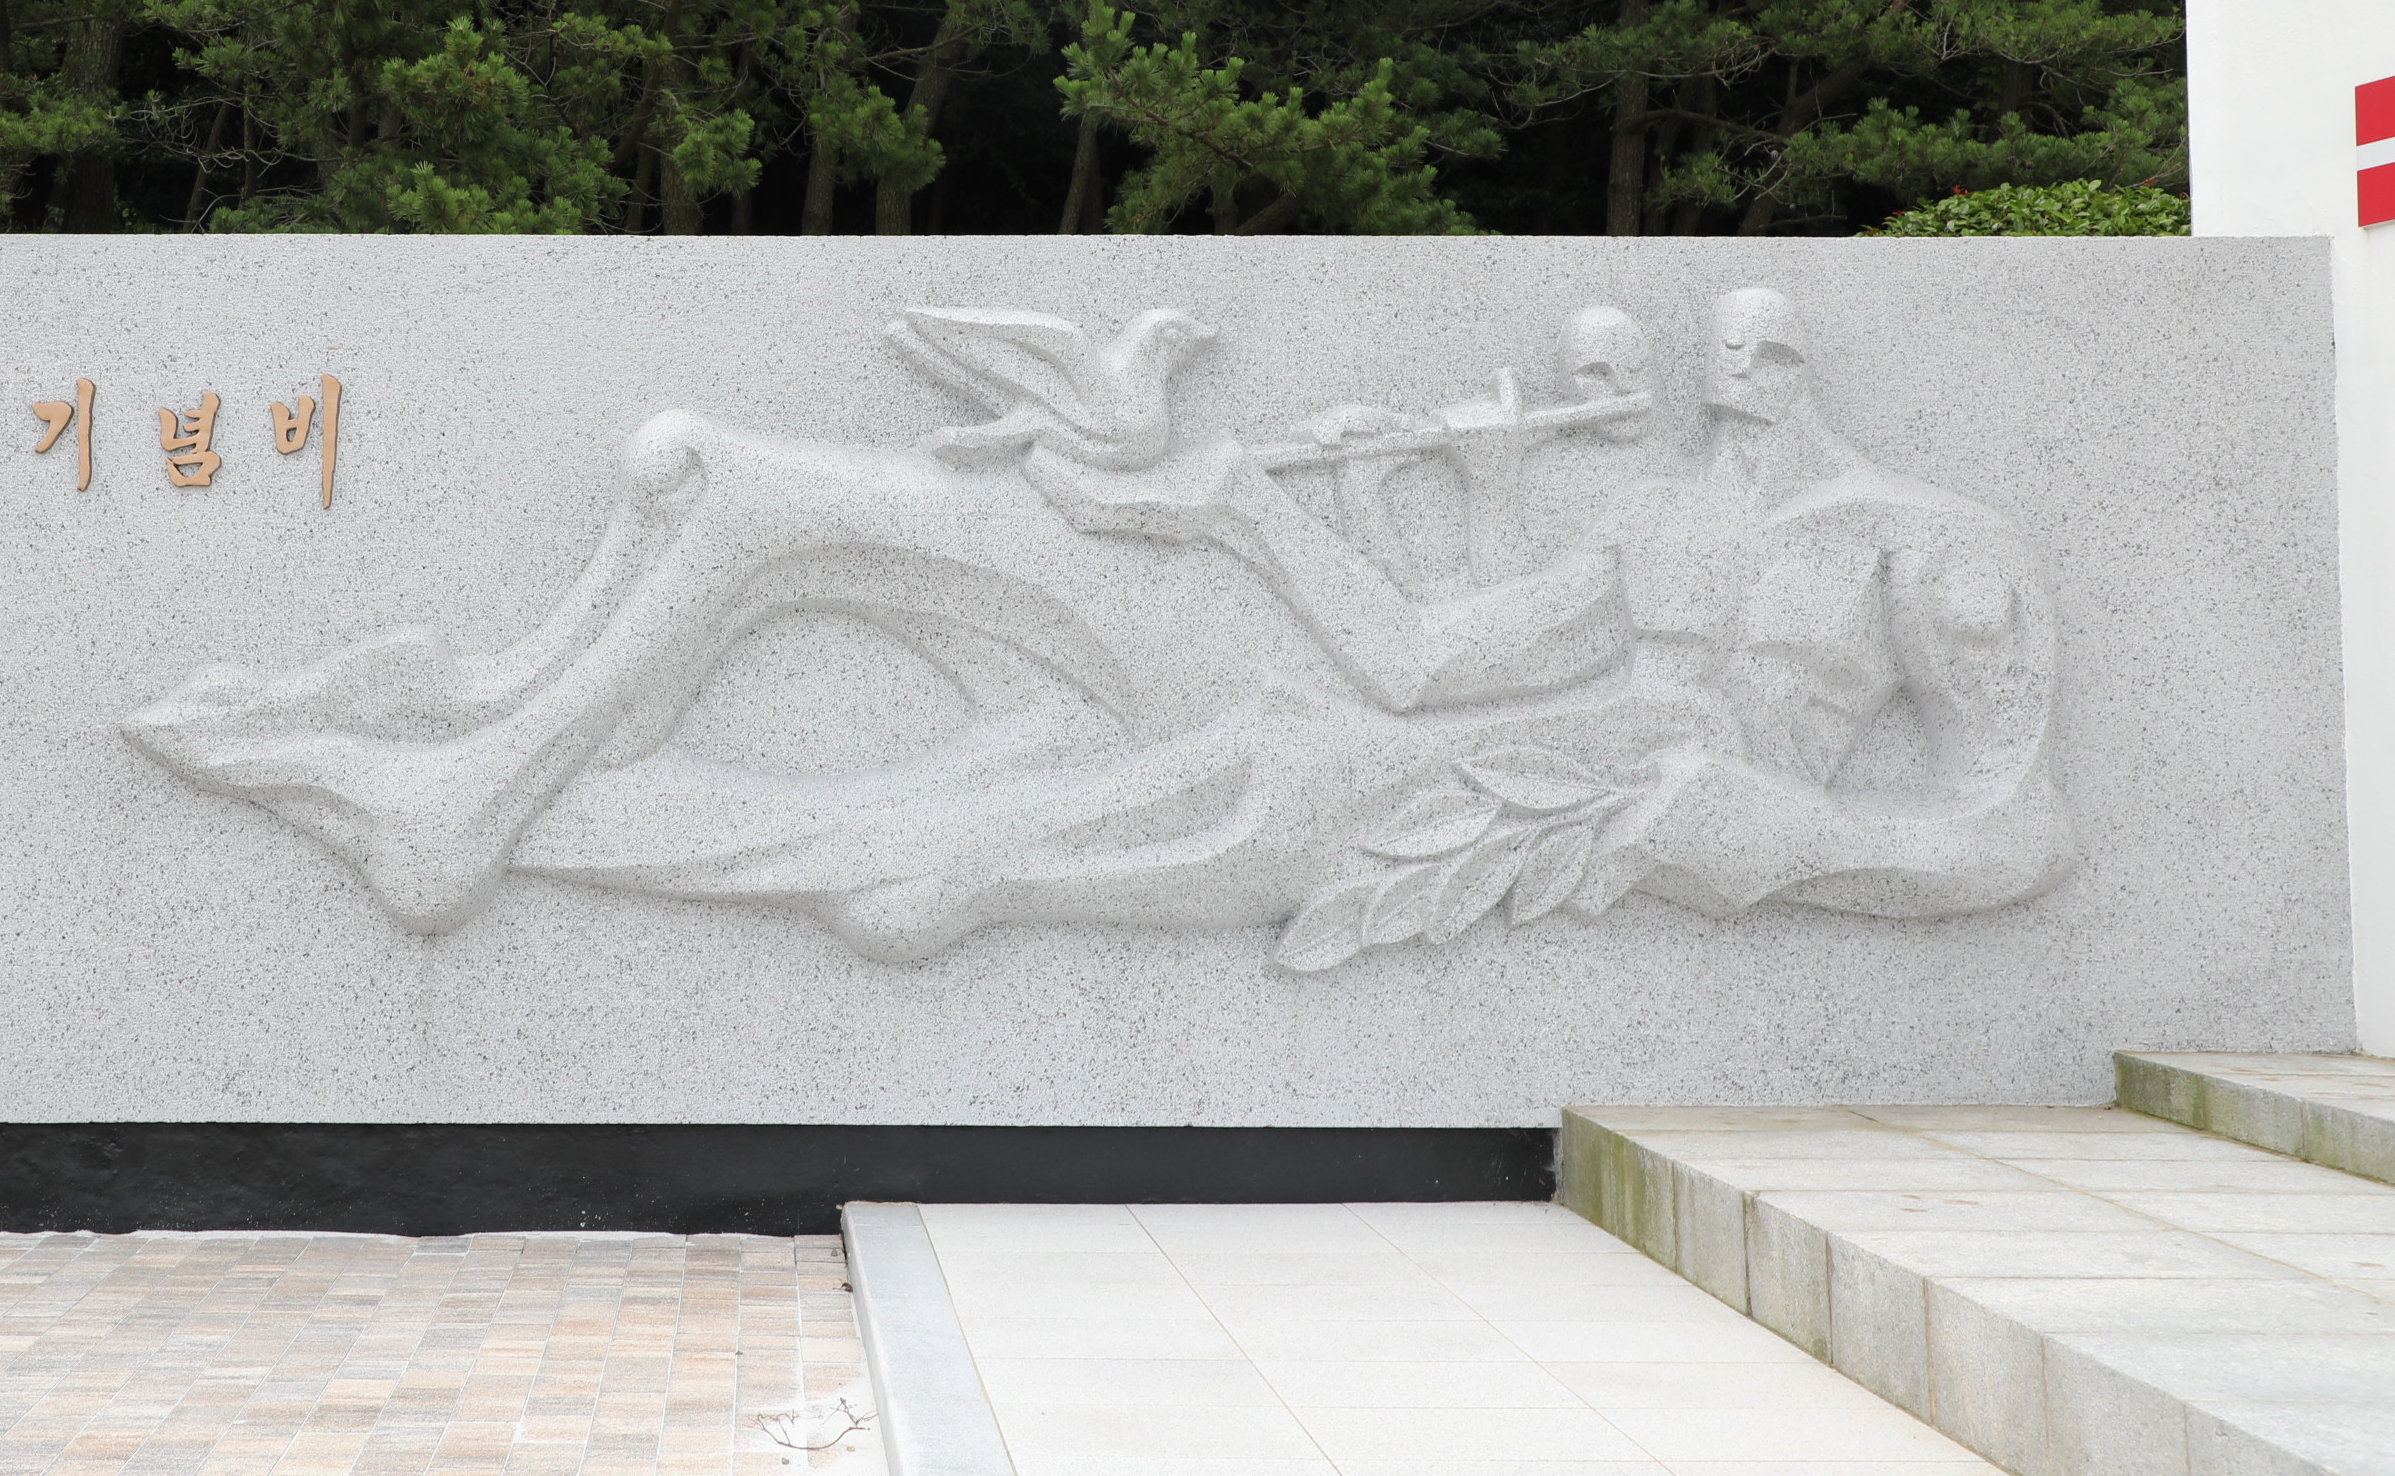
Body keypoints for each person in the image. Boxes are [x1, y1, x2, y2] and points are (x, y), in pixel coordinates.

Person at [130, 289, 2069, 964]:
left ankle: (475, 805)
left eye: (1676, 372)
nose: (1659, 396)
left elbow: (2011, 831)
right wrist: (1233, 500)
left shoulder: (1931, 547)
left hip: (1509, 790)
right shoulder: (1659, 519)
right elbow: (1416, 654)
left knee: (955, 848)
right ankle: (480, 752)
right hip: (1405, 710)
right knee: (741, 486)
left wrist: (1773, 830)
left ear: (1786, 368)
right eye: (1617, 378)